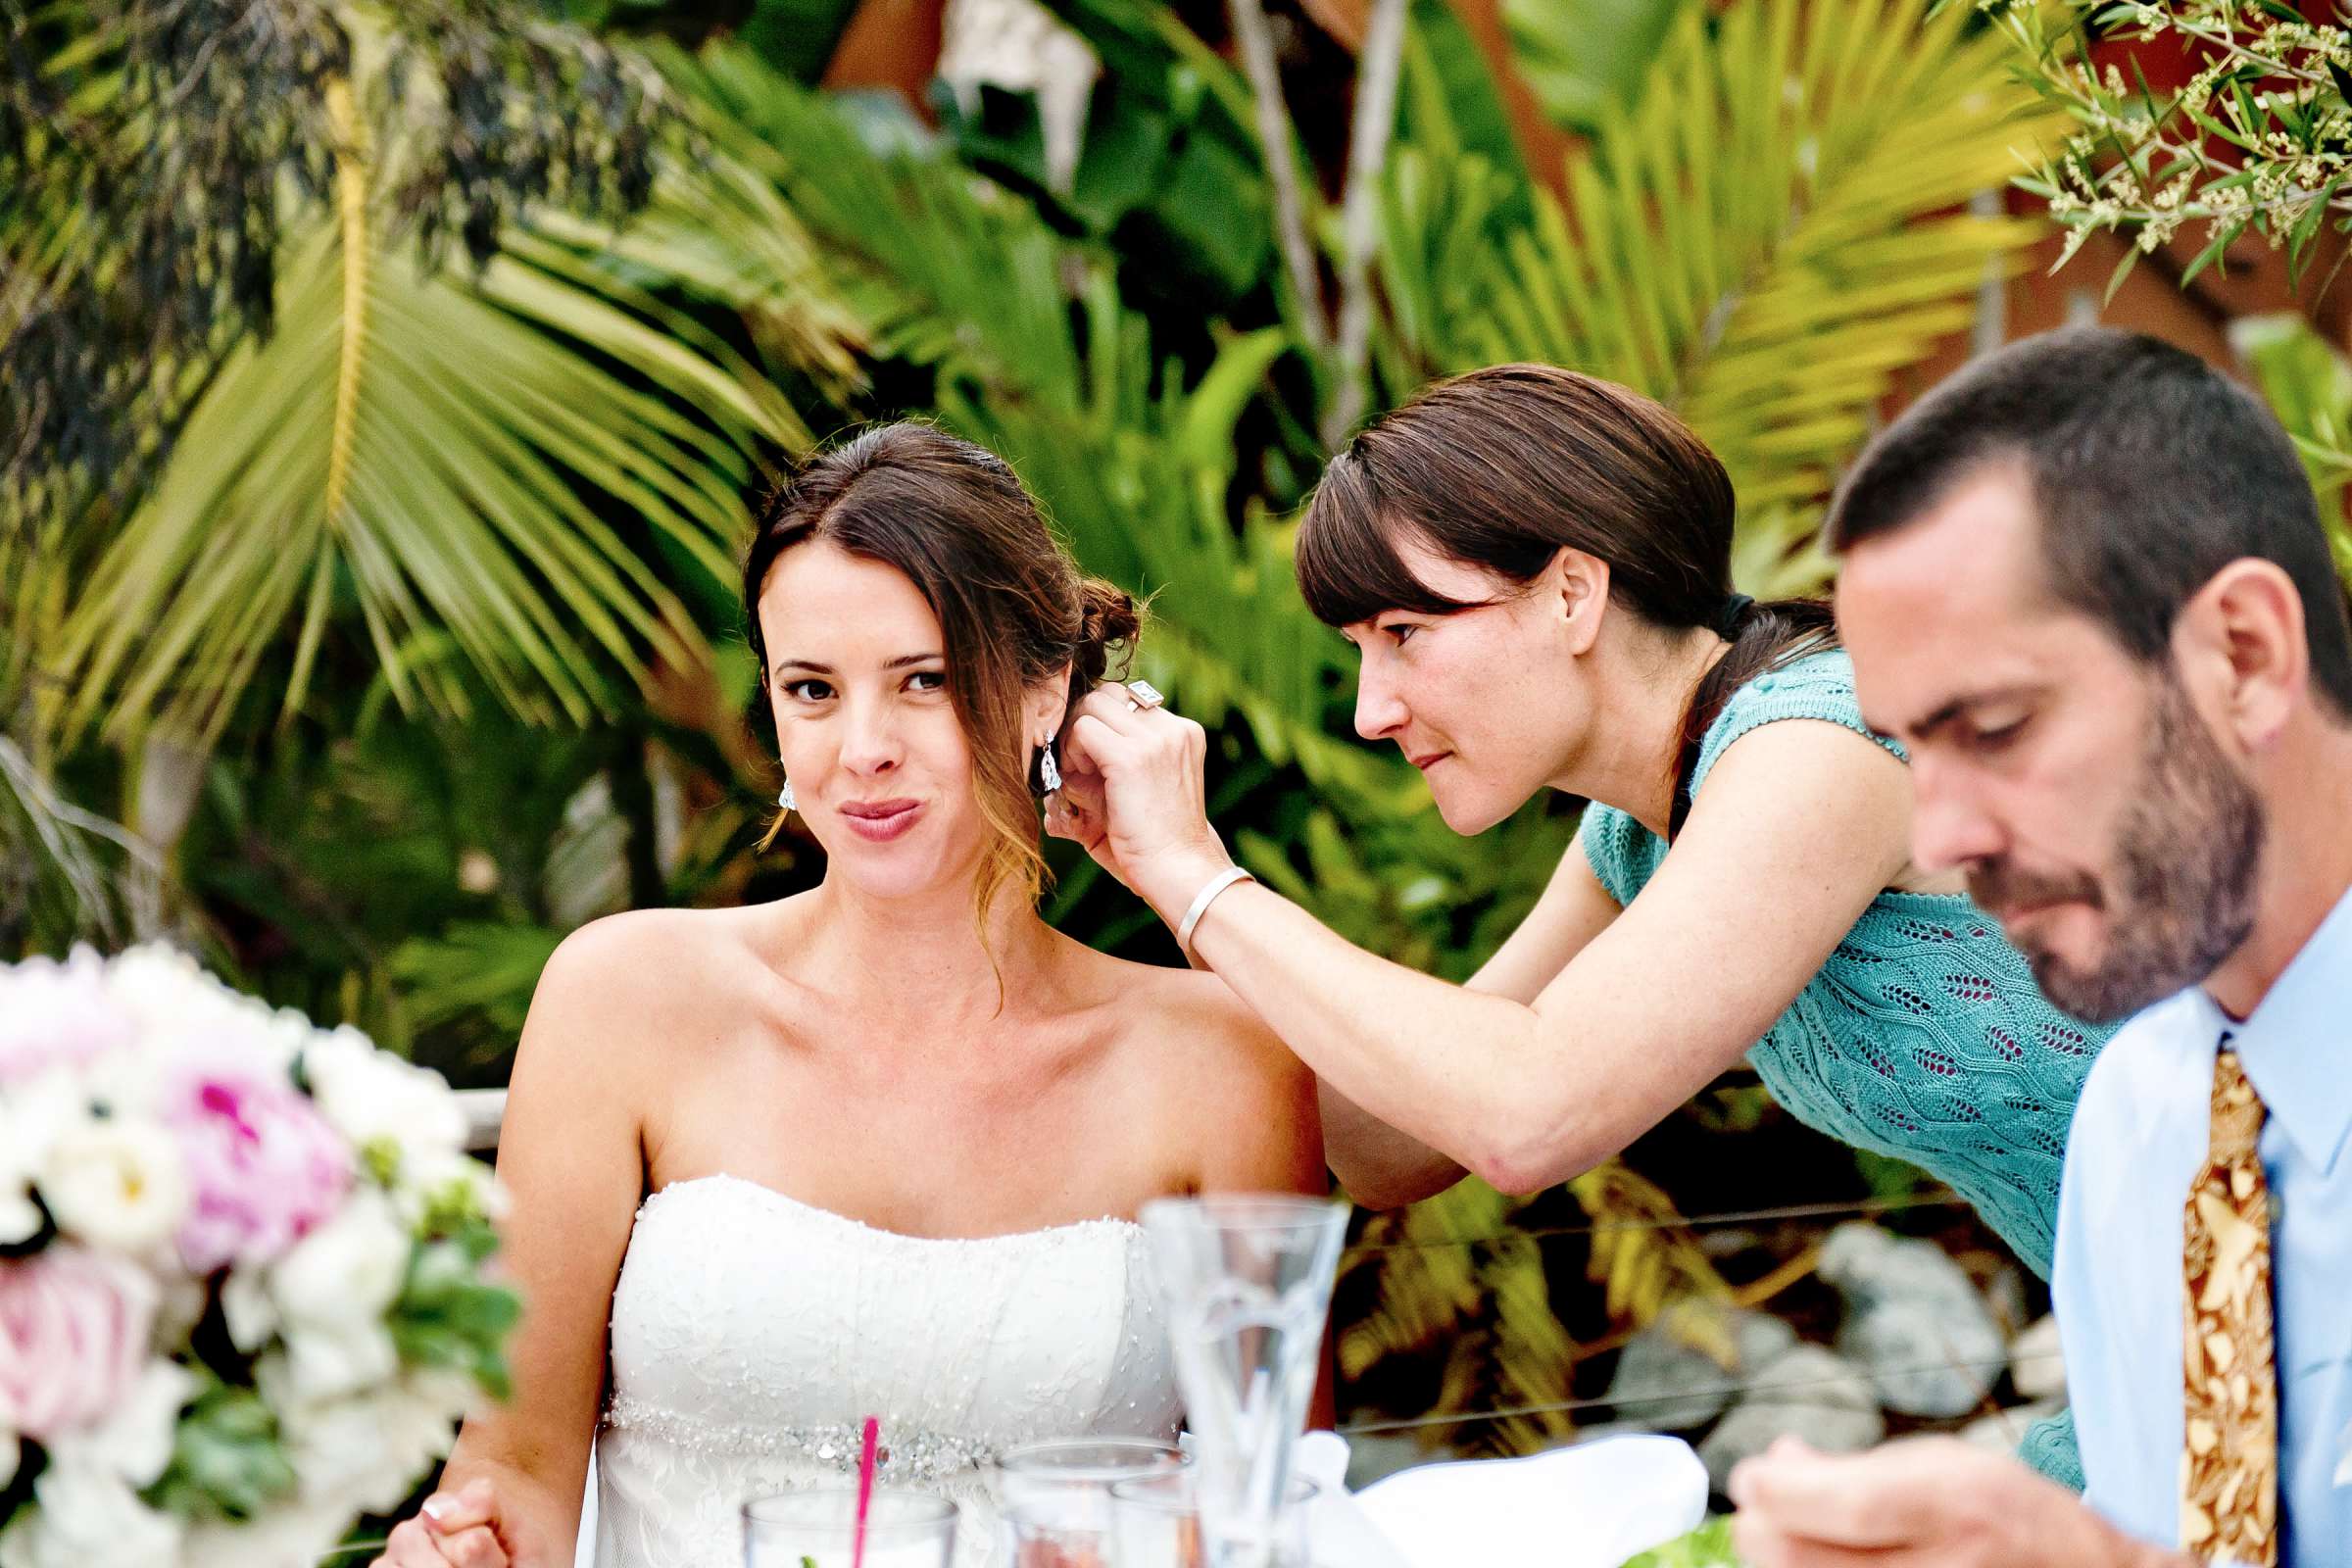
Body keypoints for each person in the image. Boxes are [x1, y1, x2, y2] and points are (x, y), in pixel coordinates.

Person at [1046, 363, 2111, 1480]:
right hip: (2162, 1351)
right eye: (1360, 648)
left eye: (1407, 631)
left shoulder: (1825, 739)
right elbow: (1393, 1143)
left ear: (1573, 592)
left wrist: (1203, 876)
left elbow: (1527, 1113)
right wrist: (1148, 862)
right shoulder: (1640, 830)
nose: (1371, 710)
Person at [372, 423, 1325, 1568]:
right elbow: (509, 1477)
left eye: (922, 681)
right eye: (811, 689)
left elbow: (1282, 1513)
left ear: (1045, 689)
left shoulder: (1219, 1057)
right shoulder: (621, 1000)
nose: (861, 748)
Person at [1729, 325, 2352, 1566]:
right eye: (1913, 746)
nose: (1946, 840)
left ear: (2244, 655)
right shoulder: (2142, 1116)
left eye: (1998, 727)